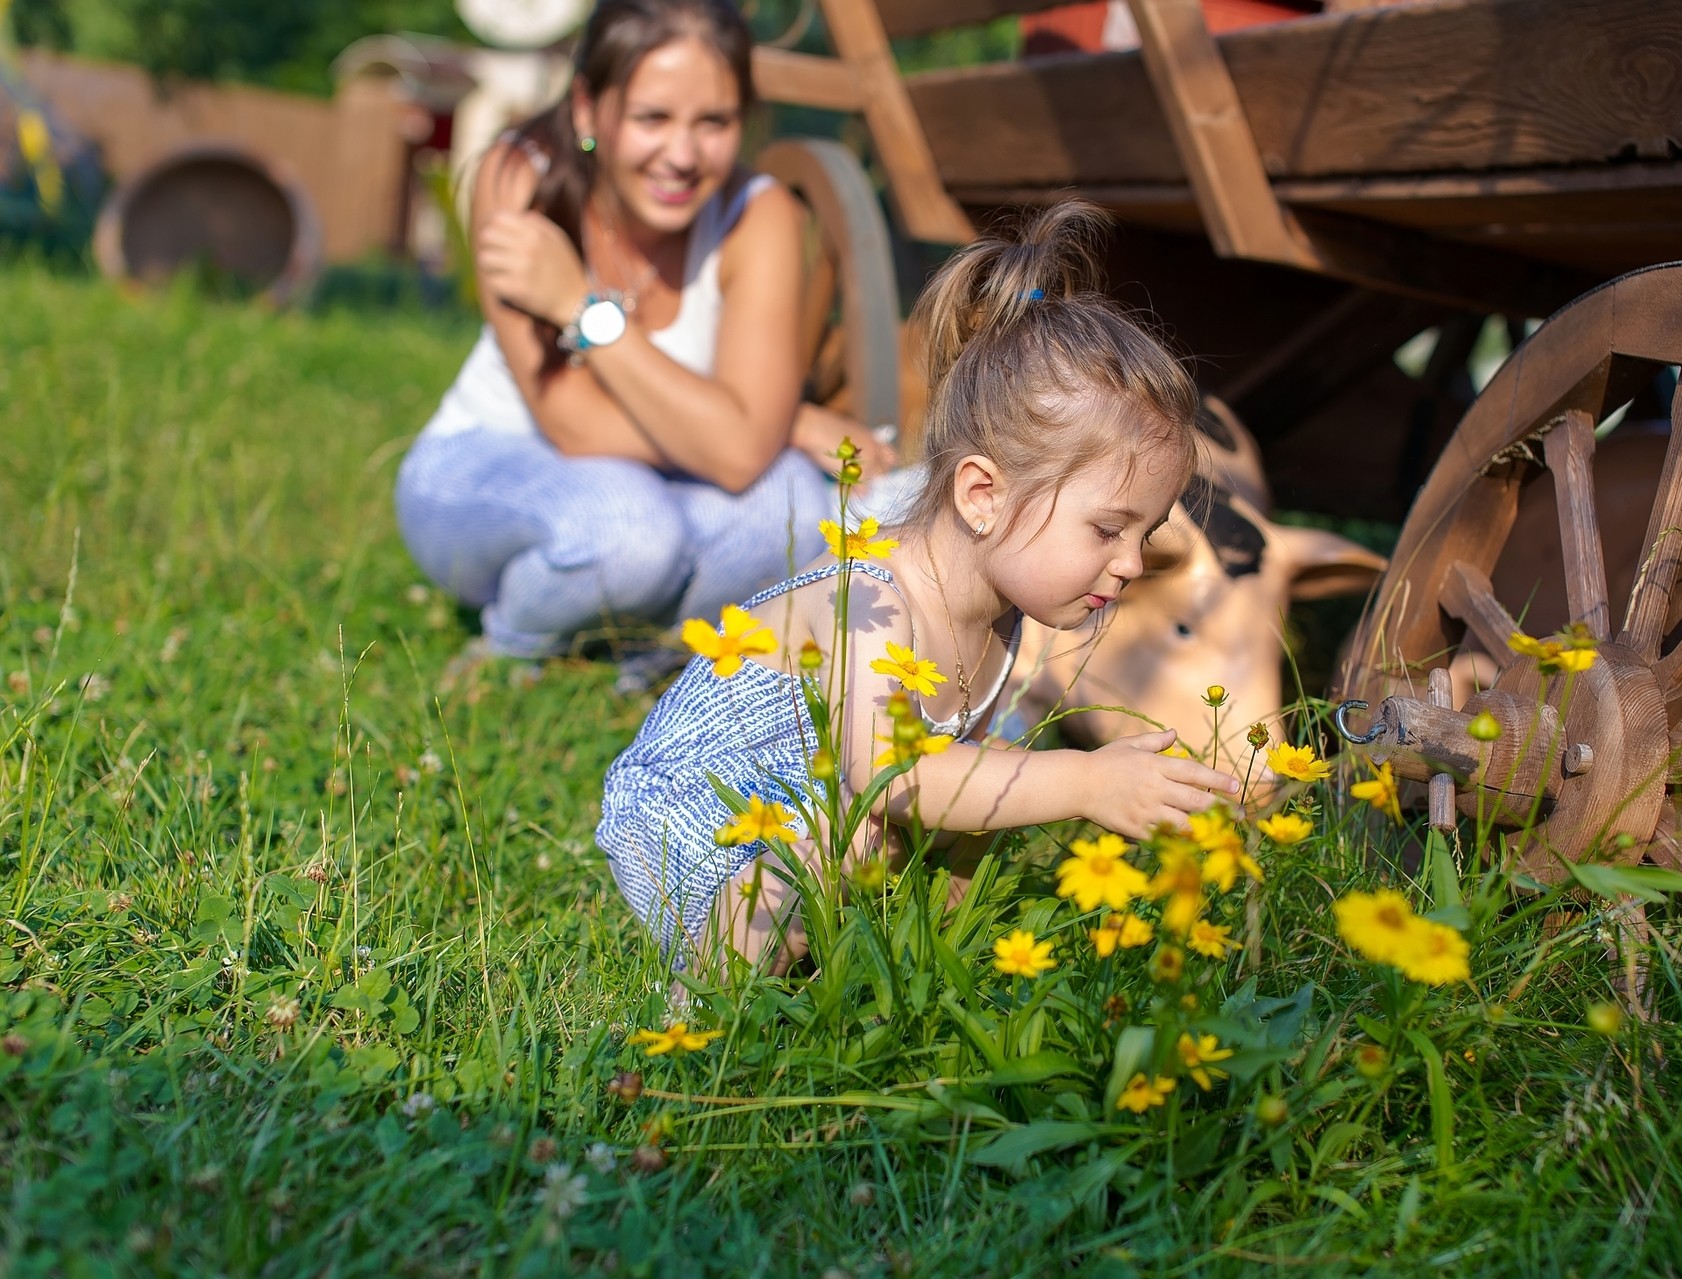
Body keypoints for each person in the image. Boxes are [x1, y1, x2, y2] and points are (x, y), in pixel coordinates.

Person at [597, 200, 1242, 970]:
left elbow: (957, 799)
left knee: (935, 812)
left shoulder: (1003, 620)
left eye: (1147, 530)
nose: (1133, 562)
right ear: (981, 495)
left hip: (818, 805)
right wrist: (1086, 778)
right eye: (1108, 529)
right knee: (831, 842)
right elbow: (896, 777)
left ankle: (924, 964)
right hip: (697, 809)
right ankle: (708, 998)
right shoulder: (873, 602)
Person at [394, 0, 890, 687]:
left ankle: (639, 657)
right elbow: (573, 424)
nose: (682, 156)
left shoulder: (761, 213)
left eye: (713, 122)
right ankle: (510, 649)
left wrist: (757, 427)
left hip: (668, 483)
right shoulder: (519, 176)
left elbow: (745, 453)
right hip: (489, 464)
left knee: (800, 508)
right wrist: (764, 420)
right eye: (652, 118)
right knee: (629, 531)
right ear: (587, 109)